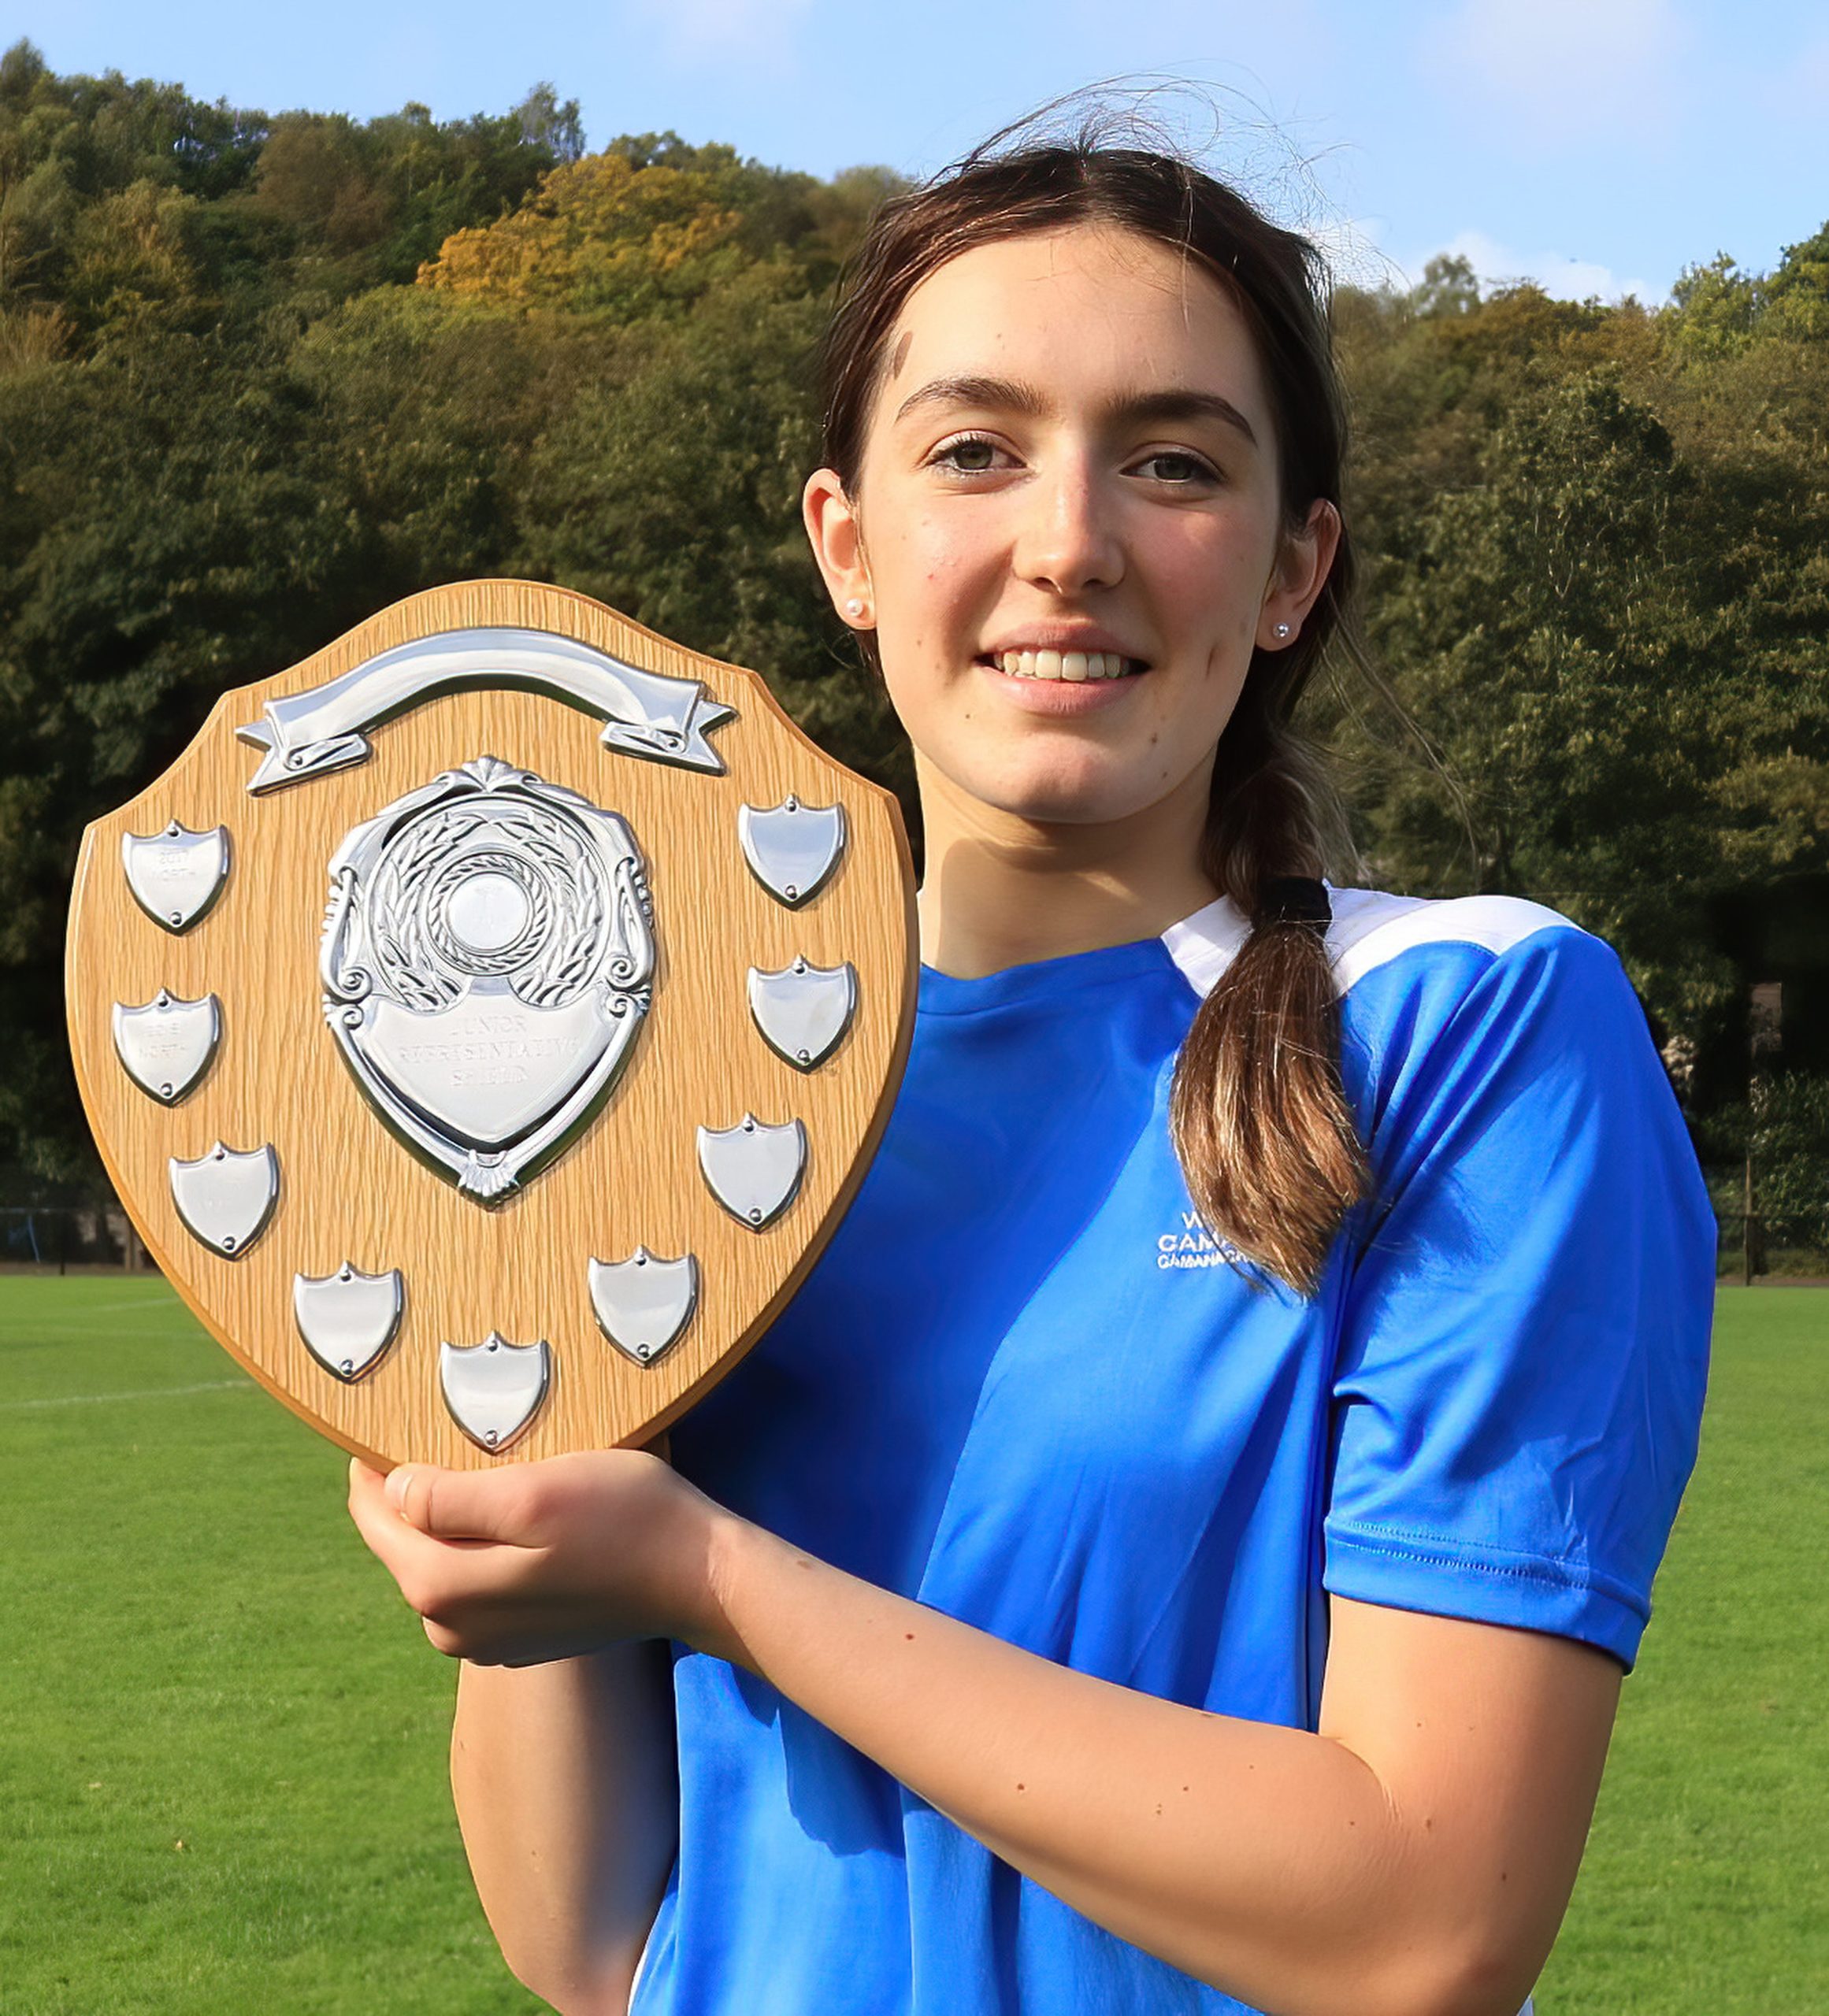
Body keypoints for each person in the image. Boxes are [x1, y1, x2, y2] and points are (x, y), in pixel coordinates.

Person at [350, 126, 1714, 2016]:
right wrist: (498, 1547)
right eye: (976, 448)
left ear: (1295, 567)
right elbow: (600, 1936)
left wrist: (711, 1572)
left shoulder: (1466, 1024)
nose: (1069, 540)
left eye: (1171, 461)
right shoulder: (669, 1085)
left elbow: (1420, 1919)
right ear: (847, 541)